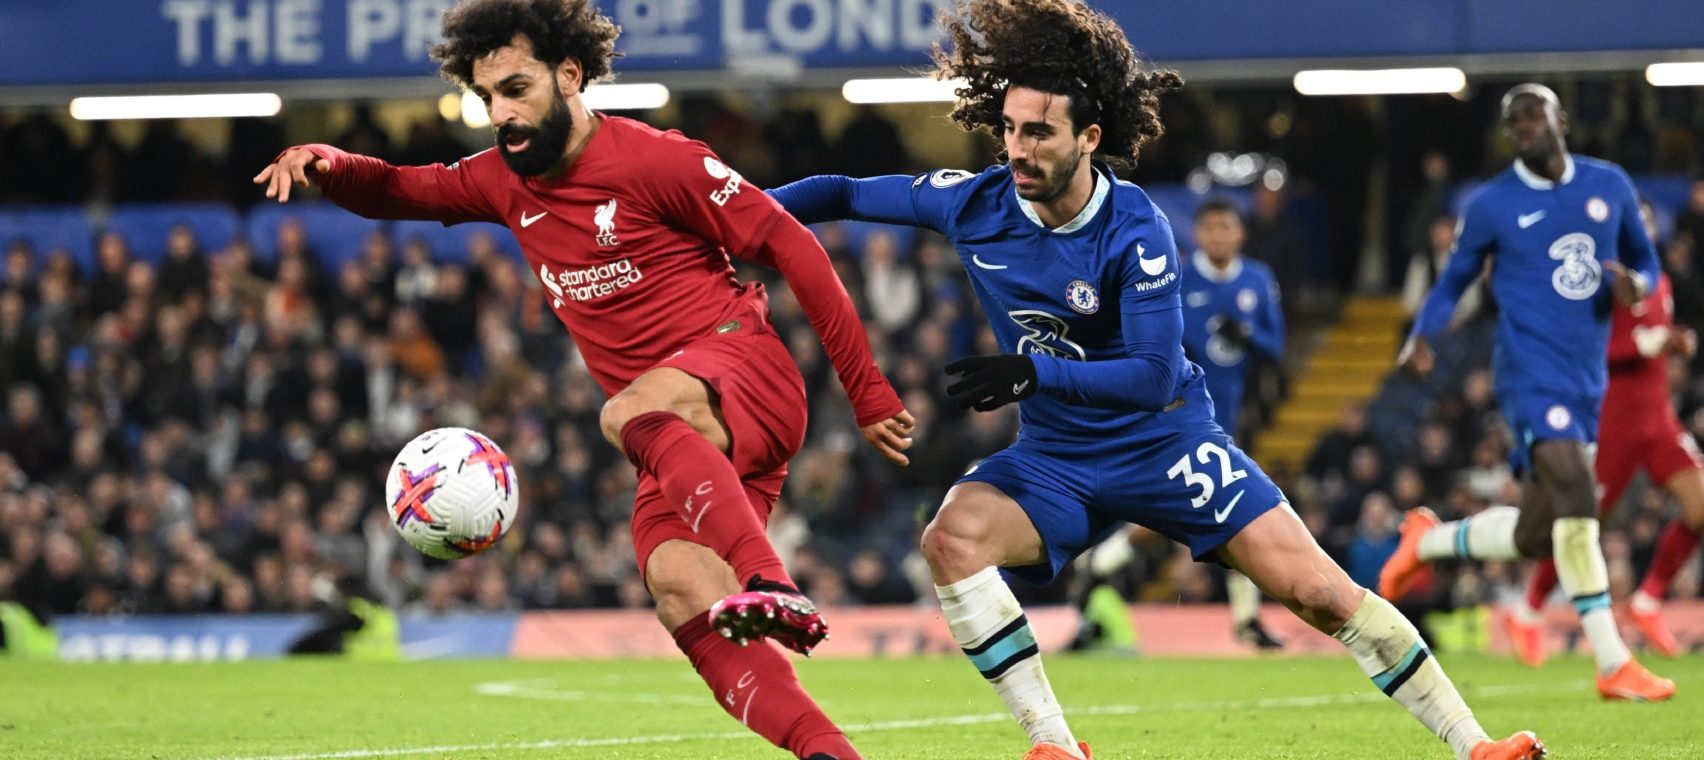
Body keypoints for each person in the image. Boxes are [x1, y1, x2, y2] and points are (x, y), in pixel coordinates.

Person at [768, 2, 1542, 758]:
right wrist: (730, 215)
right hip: (1056, 460)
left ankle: (1474, 744)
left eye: (1038, 132)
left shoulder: (1134, 229)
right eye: (1008, 128)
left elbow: (1149, 375)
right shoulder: (974, 204)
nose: (1016, 149)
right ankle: (1054, 746)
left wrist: (1032, 372)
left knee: (1319, 594)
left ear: (1089, 137)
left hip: (1164, 442)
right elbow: (840, 191)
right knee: (951, 539)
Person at [254, 2, 915, 758]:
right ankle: (830, 752)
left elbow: (794, 246)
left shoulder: (658, 159)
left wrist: (866, 389)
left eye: (516, 89)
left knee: (622, 412)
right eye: (487, 98)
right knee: (678, 588)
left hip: (739, 368)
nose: (501, 114)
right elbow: (400, 189)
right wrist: (328, 163)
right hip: (681, 438)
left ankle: (771, 582)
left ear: (569, 74)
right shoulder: (502, 180)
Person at [1381, 83, 1673, 702]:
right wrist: (1421, 335)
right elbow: (1454, 279)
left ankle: (1427, 540)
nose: (1523, 127)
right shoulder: (1493, 204)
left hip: (1586, 378)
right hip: (1528, 373)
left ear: (1561, 120)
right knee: (1578, 492)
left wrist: (1638, 287)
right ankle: (1612, 660)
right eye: (1513, 121)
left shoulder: (1608, 185)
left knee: (1539, 533)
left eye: (1533, 115)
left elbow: (1648, 262)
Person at [1508, 198, 1704, 664]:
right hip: (1614, 422)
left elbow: (1655, 338)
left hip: (1658, 419)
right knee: (1581, 523)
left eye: (1648, 221)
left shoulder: (1658, 280)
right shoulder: (1595, 281)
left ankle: (1647, 603)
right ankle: (1528, 610)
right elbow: (1584, 349)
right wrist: (1642, 344)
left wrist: (1677, 341)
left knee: (1700, 507)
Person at [1181, 198, 1286, 648]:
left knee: (1233, 513)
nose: (1218, 236)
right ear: (1197, 234)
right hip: (1181, 420)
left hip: (1234, 420)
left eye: (1226, 227)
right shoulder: (1179, 281)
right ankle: (1246, 618)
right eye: (1210, 228)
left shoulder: (1257, 279)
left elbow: (1276, 346)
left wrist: (1247, 334)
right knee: (1227, 513)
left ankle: (1247, 618)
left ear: (1240, 233)